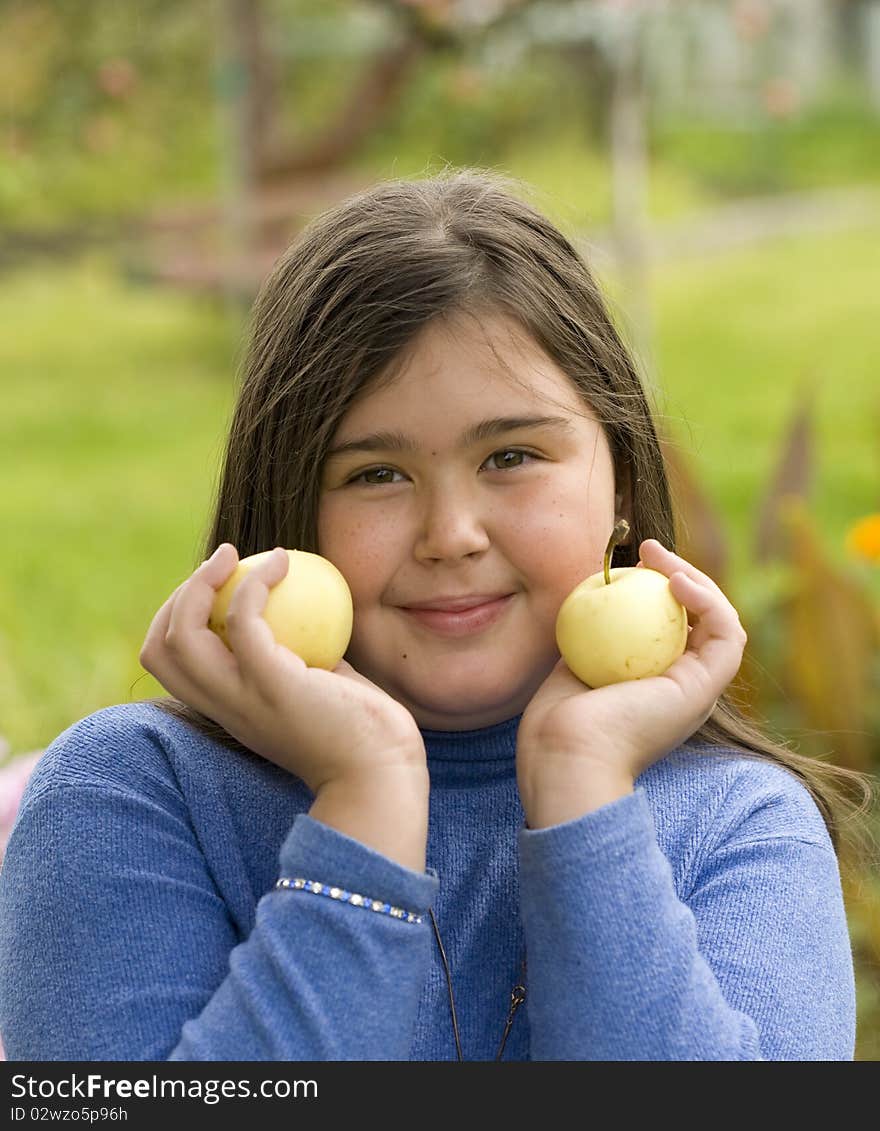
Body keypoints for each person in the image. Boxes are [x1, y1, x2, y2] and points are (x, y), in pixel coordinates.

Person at [0, 170, 871, 1062]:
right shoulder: (135, 795)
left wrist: (583, 797)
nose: (451, 535)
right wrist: (364, 801)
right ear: (290, 511)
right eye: (377, 473)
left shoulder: (739, 825)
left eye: (512, 454)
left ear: (620, 482)